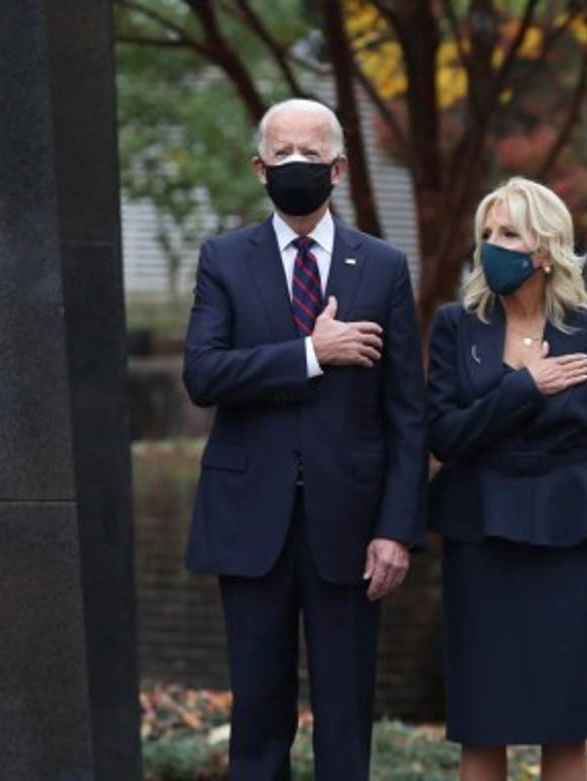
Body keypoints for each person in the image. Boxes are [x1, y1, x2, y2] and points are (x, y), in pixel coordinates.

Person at [182, 98, 428, 779]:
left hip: (350, 530)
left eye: (311, 154)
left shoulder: (381, 267)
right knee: (258, 720)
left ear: (339, 168)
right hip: (249, 521)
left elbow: (408, 412)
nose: (297, 165)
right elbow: (203, 373)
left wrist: (396, 529)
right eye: (282, 154)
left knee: (346, 721)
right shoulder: (224, 259)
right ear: (259, 169)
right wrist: (311, 354)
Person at [426, 177, 587, 780]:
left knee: (564, 723)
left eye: (508, 233)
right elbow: (445, 437)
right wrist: (523, 387)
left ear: (544, 249)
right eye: (485, 234)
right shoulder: (455, 326)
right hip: (479, 542)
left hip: (568, 545)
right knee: (481, 723)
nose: (491, 244)